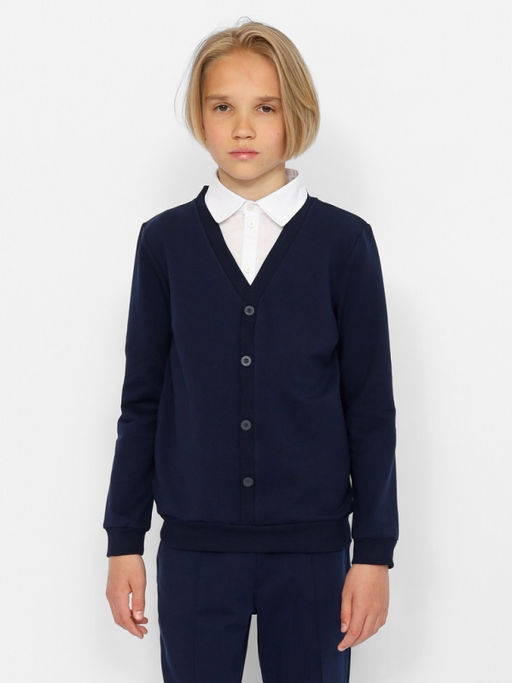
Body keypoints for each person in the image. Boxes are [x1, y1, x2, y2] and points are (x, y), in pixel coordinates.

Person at [103, 18, 399, 683]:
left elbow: (370, 408)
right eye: (222, 107)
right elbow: (142, 400)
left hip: (314, 552)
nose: (243, 128)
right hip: (195, 551)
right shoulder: (165, 244)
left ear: (296, 113)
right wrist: (124, 540)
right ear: (200, 116)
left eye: (265, 107)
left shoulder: (344, 243)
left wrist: (374, 552)